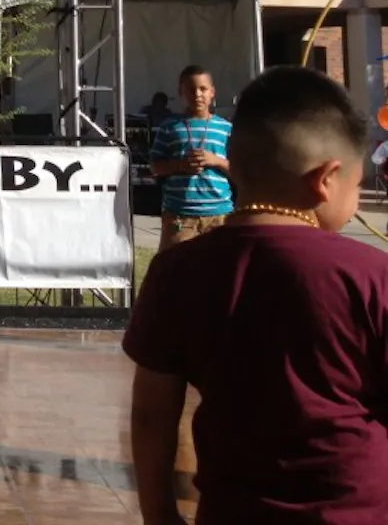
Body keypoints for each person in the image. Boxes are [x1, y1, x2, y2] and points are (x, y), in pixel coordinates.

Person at [124, 66, 388, 523]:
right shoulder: (372, 275)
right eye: (358, 185)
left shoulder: (177, 271)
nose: (357, 199)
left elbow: (151, 414)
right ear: (327, 178)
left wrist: (160, 514)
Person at [149, 65, 233, 252]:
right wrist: (180, 165)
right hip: (179, 215)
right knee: (174, 270)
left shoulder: (225, 128)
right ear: (181, 92)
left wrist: (215, 160)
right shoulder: (170, 127)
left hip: (219, 215)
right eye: (190, 89)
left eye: (203, 89)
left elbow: (239, 171)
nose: (197, 94)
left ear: (212, 92)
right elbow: (155, 166)